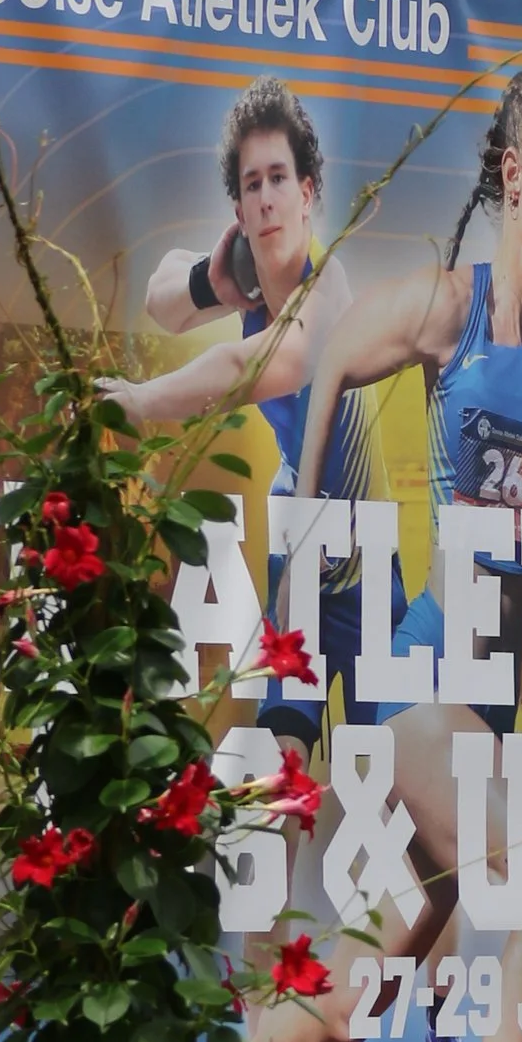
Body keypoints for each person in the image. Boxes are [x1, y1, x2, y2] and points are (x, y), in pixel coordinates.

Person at [111, 70, 522, 1042]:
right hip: (416, 684)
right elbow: (321, 348)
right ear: (504, 183)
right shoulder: (451, 309)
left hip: (488, 706)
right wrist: (315, 502)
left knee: (361, 987)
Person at [135, 83, 399, 744]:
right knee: (280, 771)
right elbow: (159, 296)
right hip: (300, 558)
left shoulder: (329, 289)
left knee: (400, 784)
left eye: (279, 178)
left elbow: (236, 371)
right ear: (240, 209)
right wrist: (212, 282)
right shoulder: (247, 281)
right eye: (252, 185)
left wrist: (137, 400)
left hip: (367, 569)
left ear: (308, 193)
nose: (267, 197)